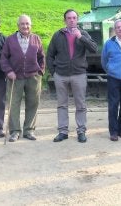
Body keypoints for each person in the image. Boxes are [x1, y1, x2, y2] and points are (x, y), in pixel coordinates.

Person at [46, 9, 97, 143]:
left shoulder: (84, 33)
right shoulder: (58, 35)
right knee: (62, 104)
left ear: (77, 19)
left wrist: (81, 37)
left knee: (80, 104)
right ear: (65, 20)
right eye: (69, 18)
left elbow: (94, 49)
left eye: (74, 18)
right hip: (61, 75)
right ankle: (63, 131)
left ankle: (81, 131)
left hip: (79, 74)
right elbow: (50, 55)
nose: (72, 20)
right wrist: (54, 72)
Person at [0, 15, 45, 142]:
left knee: (33, 103)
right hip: (15, 77)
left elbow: (42, 57)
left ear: (30, 25)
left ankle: (29, 130)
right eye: (22, 24)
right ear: (18, 25)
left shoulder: (36, 38)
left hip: (33, 77)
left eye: (27, 24)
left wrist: (40, 71)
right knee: (13, 104)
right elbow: (3, 58)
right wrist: (8, 71)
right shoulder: (10, 40)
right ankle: (15, 131)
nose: (25, 26)